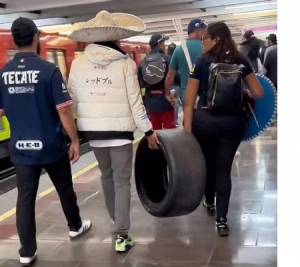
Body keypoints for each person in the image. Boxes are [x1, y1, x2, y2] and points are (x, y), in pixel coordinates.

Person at [0, 17, 92, 266]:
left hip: (21, 149)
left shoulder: (4, 74)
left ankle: (26, 251)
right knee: (64, 190)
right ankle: (74, 226)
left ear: (16, 41)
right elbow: (63, 111)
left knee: (25, 199)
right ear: (35, 38)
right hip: (50, 146)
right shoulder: (48, 70)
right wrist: (74, 140)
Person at [67, 10, 159, 252]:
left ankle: (115, 220)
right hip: (120, 133)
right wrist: (148, 132)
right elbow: (135, 103)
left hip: (94, 133)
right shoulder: (126, 64)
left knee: (106, 177)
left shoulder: (78, 63)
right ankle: (121, 235)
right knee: (121, 181)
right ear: (116, 39)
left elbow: (73, 102)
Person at [184, 22, 264, 236]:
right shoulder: (240, 59)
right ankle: (221, 221)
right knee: (223, 170)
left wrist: (188, 128)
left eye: (206, 39)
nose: (203, 43)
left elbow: (189, 100)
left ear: (216, 39)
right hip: (233, 123)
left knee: (208, 164)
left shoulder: (201, 62)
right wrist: (242, 93)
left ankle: (209, 201)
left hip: (206, 122)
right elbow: (258, 92)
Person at [165, 19, 207, 107]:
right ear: (198, 31)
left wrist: (168, 93)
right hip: (206, 94)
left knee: (189, 119)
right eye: (204, 30)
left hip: (187, 94)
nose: (206, 34)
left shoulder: (179, 50)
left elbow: (170, 75)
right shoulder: (207, 48)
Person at [138, 34, 176, 130]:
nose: (164, 46)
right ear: (159, 44)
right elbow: (175, 77)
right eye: (163, 43)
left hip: (150, 101)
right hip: (166, 100)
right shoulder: (167, 59)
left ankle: (157, 145)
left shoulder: (143, 62)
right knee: (170, 129)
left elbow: (140, 84)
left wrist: (144, 101)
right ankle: (170, 145)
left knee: (155, 130)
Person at [167, 42, 181, 126]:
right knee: (175, 103)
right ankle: (174, 121)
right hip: (175, 85)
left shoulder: (164, 59)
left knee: (169, 102)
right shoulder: (176, 60)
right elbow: (178, 74)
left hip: (168, 85)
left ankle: (170, 120)